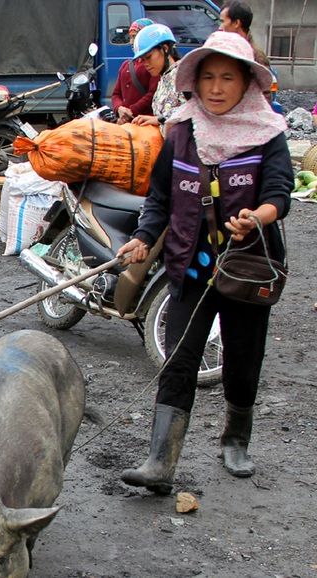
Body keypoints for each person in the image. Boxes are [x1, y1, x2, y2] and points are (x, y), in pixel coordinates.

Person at [118, 31, 292, 493]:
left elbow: (279, 192)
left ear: (247, 83)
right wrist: (142, 238)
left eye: (227, 78)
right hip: (189, 268)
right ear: (196, 81)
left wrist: (258, 217)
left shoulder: (268, 134)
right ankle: (161, 460)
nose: (216, 88)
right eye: (209, 77)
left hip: (246, 268)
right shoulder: (180, 133)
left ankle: (235, 439)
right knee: (179, 360)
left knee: (242, 358)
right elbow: (159, 197)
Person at [131, 24, 186, 132]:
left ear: (165, 49)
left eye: (149, 57)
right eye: (143, 60)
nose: (146, 64)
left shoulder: (185, 75)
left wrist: (159, 120)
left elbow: (192, 112)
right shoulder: (163, 79)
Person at [219, 1, 275, 103]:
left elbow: (265, 98)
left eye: (223, 21)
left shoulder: (256, 57)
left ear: (236, 23)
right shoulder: (224, 50)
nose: (220, 27)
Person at [112, 18, 159, 125]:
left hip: (144, 122)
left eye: (135, 36)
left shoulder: (153, 64)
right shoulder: (126, 65)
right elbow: (116, 94)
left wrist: (130, 112)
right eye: (130, 37)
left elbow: (153, 94)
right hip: (126, 122)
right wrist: (119, 108)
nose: (132, 41)